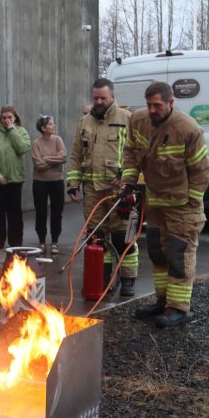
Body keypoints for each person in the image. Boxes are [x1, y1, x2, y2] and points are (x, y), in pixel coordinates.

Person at [122, 81, 209, 328]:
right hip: (156, 203)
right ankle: (162, 301)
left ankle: (179, 308)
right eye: (149, 104)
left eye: (157, 105)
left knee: (178, 255)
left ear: (171, 103)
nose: (152, 110)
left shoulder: (188, 129)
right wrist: (128, 181)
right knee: (157, 253)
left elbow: (201, 170)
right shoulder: (138, 121)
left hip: (183, 207)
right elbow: (130, 151)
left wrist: (192, 201)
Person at [66, 78, 138, 296]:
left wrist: (127, 179)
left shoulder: (127, 119)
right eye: (95, 97)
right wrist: (73, 184)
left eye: (103, 98)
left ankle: (128, 279)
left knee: (121, 236)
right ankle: (103, 278)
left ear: (113, 97)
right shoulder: (84, 123)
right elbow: (76, 155)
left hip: (119, 190)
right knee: (97, 237)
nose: (98, 101)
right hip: (92, 190)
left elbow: (136, 153)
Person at [0, 104, 31, 251]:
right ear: (0, 117)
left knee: (14, 212)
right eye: (4, 118)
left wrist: (12, 131)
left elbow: (23, 148)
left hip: (15, 179)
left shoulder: (21, 131)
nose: (6, 120)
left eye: (9, 117)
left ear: (15, 117)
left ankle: (15, 242)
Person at [30, 115, 67, 255]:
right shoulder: (36, 143)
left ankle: (55, 242)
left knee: (57, 212)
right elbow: (38, 165)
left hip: (57, 181)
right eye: (51, 124)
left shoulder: (58, 140)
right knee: (41, 212)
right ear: (43, 128)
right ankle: (41, 241)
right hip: (40, 182)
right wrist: (54, 160)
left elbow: (63, 158)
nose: (54, 126)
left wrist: (46, 158)